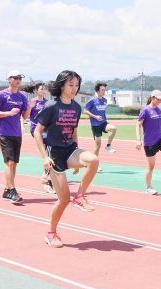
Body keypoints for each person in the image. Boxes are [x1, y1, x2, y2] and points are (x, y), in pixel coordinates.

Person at [34, 70, 99, 248]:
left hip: (70, 149)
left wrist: (78, 157)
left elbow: (74, 132)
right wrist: (44, 157)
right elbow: (37, 131)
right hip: (54, 154)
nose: (74, 88)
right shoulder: (51, 106)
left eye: (76, 85)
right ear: (61, 85)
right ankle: (51, 233)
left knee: (93, 160)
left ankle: (80, 196)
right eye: (70, 85)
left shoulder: (76, 108)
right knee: (63, 200)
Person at [0, 70, 31, 204]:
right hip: (4, 132)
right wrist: (9, 113)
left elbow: (25, 117)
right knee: (9, 162)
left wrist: (30, 107)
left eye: (20, 77)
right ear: (9, 79)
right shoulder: (1, 95)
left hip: (17, 133)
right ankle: (13, 190)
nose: (18, 80)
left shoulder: (22, 97)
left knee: (14, 164)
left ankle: (7, 190)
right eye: (15, 77)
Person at [22, 82, 55, 194]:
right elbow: (25, 117)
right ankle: (46, 177)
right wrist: (30, 107)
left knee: (48, 152)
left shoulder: (47, 102)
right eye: (41, 89)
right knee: (47, 152)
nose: (43, 90)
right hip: (36, 130)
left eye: (44, 89)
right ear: (36, 91)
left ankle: (45, 174)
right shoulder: (32, 102)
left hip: (47, 130)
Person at [84, 83, 117, 172]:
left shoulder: (105, 100)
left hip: (103, 123)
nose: (104, 91)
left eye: (104, 89)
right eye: (102, 90)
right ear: (97, 91)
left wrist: (102, 118)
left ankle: (108, 146)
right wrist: (95, 117)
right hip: (95, 125)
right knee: (97, 146)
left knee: (113, 128)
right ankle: (94, 164)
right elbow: (85, 111)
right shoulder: (92, 100)